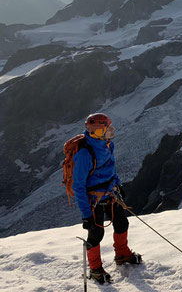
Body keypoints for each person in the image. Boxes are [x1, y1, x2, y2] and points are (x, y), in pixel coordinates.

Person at [73, 113, 141, 284]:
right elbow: (78, 187)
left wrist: (118, 184)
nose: (112, 129)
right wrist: (86, 215)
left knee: (121, 223)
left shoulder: (108, 145)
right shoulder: (84, 155)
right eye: (108, 127)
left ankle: (122, 254)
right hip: (93, 199)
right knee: (96, 233)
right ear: (97, 131)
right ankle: (95, 269)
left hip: (110, 193)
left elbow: (111, 167)